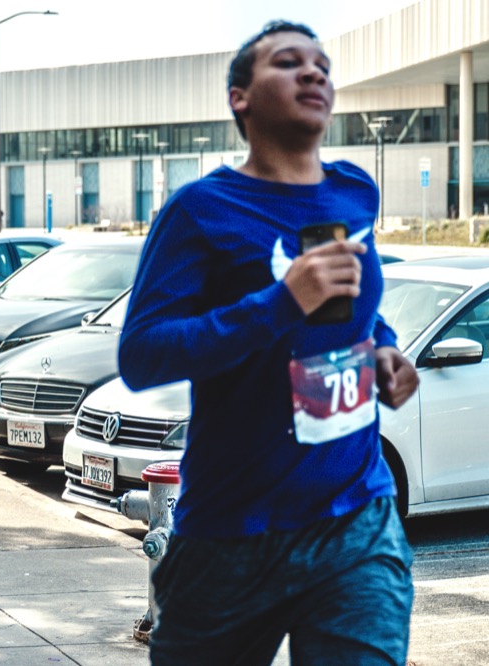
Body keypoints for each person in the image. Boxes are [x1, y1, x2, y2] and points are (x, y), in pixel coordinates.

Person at [119, 21, 420, 666]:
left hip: (356, 519)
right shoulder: (201, 210)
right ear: (241, 98)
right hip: (232, 532)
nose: (314, 73)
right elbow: (142, 356)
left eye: (322, 64)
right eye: (289, 62)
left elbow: (360, 316)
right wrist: (280, 302)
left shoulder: (354, 192)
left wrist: (386, 351)